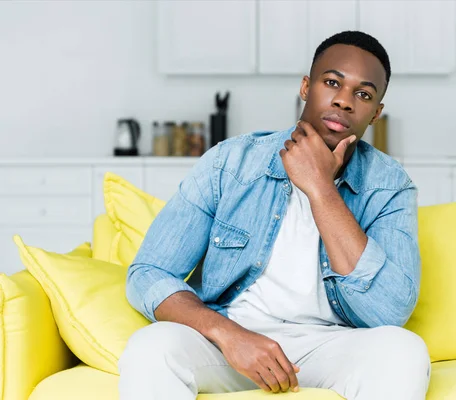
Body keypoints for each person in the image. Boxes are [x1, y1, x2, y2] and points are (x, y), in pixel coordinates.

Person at [119, 30, 430, 400]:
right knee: (152, 346)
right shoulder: (231, 162)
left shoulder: (389, 185)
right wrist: (228, 335)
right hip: (232, 341)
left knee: (404, 352)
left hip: (332, 345)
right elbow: (149, 273)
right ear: (305, 87)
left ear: (376, 113)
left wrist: (321, 188)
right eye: (332, 82)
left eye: (363, 94)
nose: (344, 101)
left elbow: (390, 310)